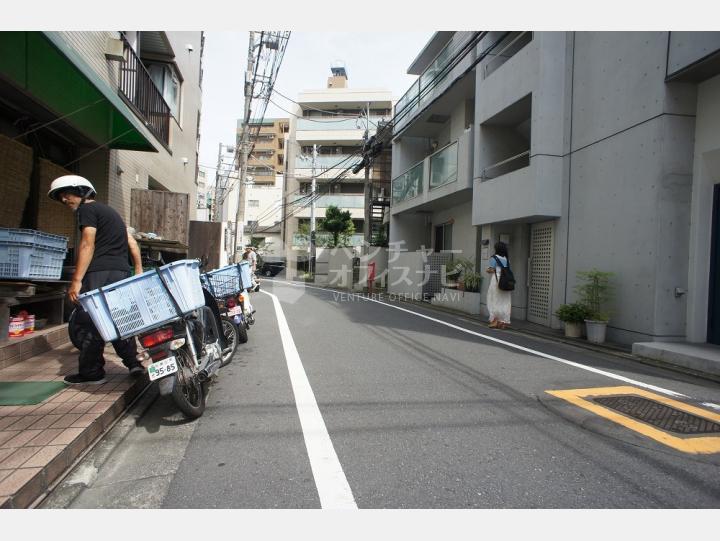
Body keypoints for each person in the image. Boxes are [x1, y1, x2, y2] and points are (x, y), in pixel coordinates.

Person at [48, 175, 144, 385]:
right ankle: (133, 362)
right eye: (61, 197)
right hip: (120, 273)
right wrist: (138, 269)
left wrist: (76, 280)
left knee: (89, 320)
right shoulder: (112, 213)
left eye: (67, 194)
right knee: (120, 317)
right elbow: (132, 243)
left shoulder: (87, 210)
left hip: (99, 273)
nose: (65, 200)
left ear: (82, 192)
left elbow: (87, 244)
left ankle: (92, 373)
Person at [485, 241, 512, 329]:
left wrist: (487, 270)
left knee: (493, 299)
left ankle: (495, 320)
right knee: (505, 301)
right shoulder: (507, 259)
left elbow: (491, 270)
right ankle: (504, 322)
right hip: (506, 282)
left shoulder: (494, 258)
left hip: (496, 281)